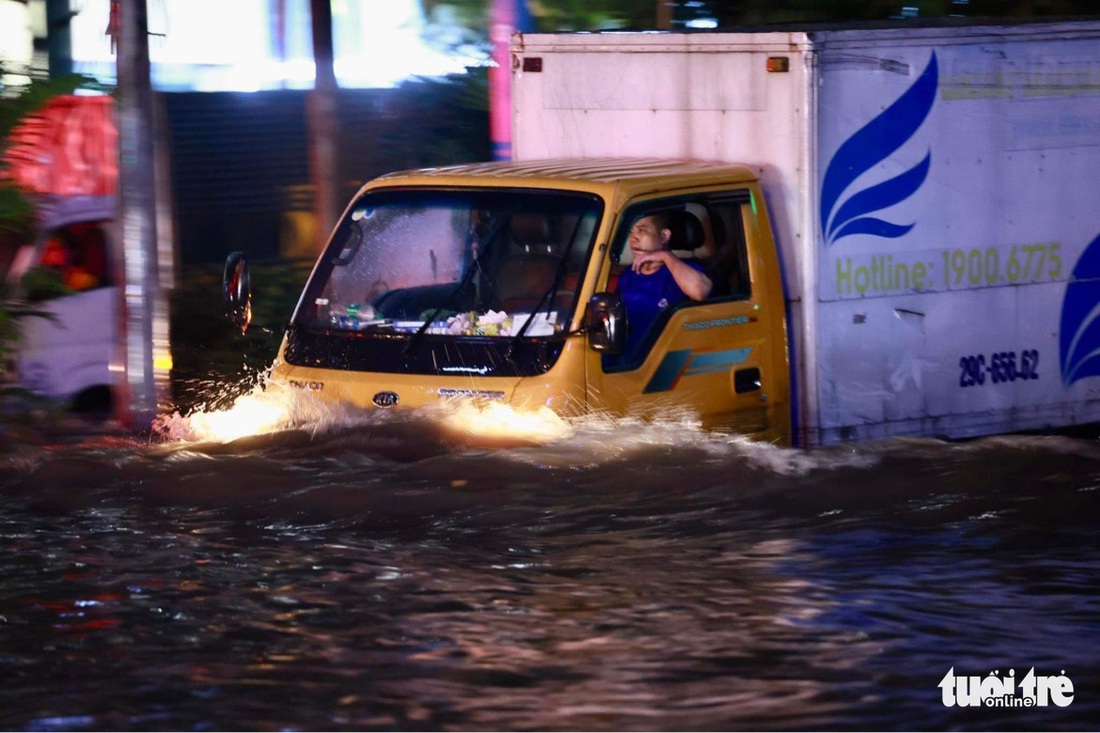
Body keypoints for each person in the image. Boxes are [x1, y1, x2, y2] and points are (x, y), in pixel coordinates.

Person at [615, 211, 712, 357]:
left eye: (642, 230)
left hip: (665, 360)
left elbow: (700, 291)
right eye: (631, 231)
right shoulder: (630, 273)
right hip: (630, 361)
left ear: (664, 236)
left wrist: (665, 256)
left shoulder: (683, 270)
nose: (633, 238)